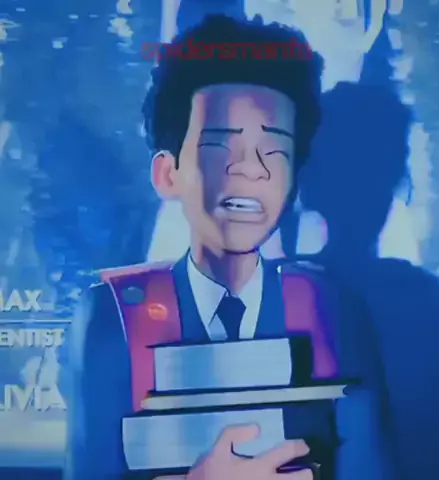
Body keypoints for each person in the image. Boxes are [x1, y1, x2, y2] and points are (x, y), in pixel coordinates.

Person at [64, 15, 389, 480]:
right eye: (219, 145)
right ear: (168, 174)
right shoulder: (114, 317)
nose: (251, 169)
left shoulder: (330, 310)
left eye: (274, 149)